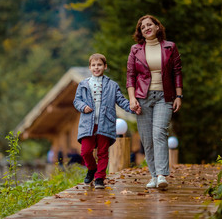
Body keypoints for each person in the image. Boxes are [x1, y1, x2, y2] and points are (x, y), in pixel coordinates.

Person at [126, 15, 183, 189]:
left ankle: (161, 175)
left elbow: (177, 72)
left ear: (158, 27)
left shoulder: (170, 47)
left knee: (159, 133)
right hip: (143, 98)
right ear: (140, 32)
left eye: (150, 25)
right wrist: (132, 98)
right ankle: (153, 175)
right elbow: (130, 76)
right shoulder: (135, 49)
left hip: (164, 97)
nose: (146, 28)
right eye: (143, 27)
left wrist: (179, 96)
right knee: (147, 139)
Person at [73, 53, 138, 189]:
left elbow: (121, 100)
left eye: (99, 65)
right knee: (85, 151)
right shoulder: (83, 84)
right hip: (87, 123)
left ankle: (100, 178)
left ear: (105, 66)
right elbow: (76, 100)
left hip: (106, 122)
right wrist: (83, 107)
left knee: (103, 152)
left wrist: (132, 108)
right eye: (94, 65)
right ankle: (92, 168)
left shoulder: (112, 85)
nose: (97, 68)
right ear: (90, 68)